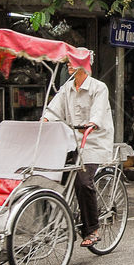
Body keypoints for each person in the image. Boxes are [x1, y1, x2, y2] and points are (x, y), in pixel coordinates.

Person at [43, 60, 112, 248]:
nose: (68, 66)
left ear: (84, 65)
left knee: (83, 182)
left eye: (73, 63)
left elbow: (98, 112)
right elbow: (54, 108)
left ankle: (93, 229)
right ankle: (56, 223)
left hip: (93, 142)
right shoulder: (67, 88)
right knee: (48, 177)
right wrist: (46, 119)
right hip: (71, 141)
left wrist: (92, 123)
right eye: (68, 64)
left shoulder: (99, 87)